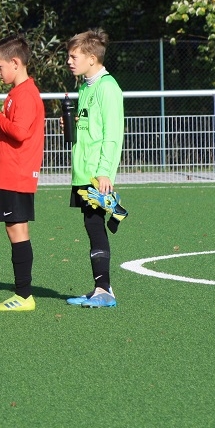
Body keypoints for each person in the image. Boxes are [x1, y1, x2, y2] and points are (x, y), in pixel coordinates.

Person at [0, 35, 45, 312]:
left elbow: (19, 132)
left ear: (15, 63)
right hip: (2, 176)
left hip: (16, 176)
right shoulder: (16, 93)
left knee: (16, 230)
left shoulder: (27, 94)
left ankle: (24, 294)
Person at [65, 29, 124, 308]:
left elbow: (113, 135)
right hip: (82, 171)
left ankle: (104, 290)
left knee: (95, 225)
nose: (69, 61)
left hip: (95, 173)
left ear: (91, 58)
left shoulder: (108, 87)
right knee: (92, 225)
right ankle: (102, 287)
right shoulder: (85, 87)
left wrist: (105, 172)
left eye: (73, 56)